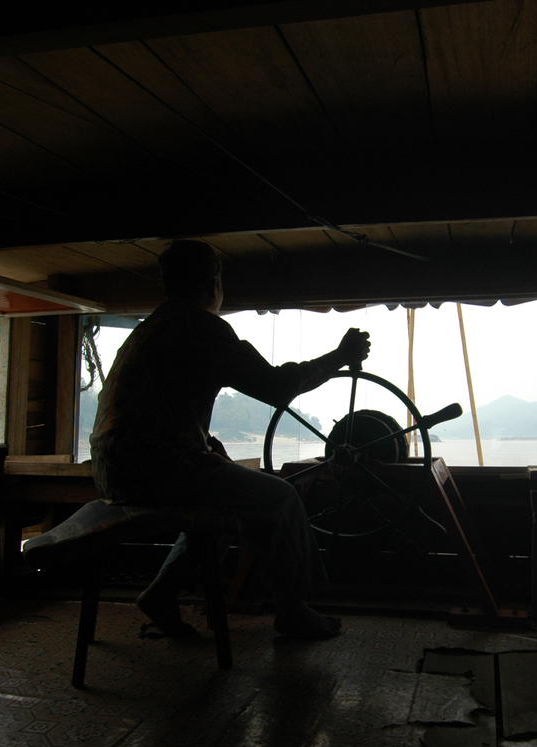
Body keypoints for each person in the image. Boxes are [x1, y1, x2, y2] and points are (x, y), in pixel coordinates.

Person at [89, 239, 370, 640]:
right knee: (281, 498)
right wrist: (339, 357)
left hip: (112, 472)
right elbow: (275, 386)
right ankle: (293, 611)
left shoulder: (149, 329)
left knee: (222, 509)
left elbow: (152, 410)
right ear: (214, 284)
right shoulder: (202, 328)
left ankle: (161, 595)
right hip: (158, 468)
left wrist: (205, 446)